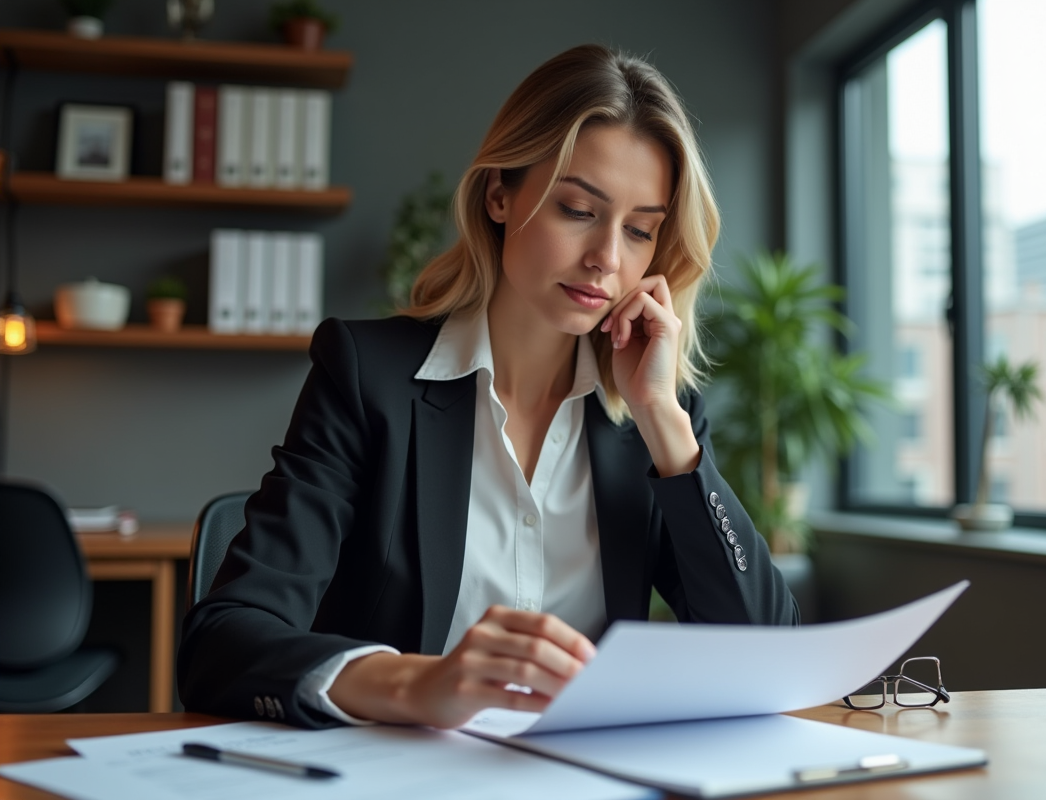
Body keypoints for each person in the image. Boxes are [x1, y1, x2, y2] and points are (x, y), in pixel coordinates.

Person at [178, 43, 799, 731]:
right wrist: (419, 684)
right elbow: (222, 643)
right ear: (500, 194)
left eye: (641, 231)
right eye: (577, 209)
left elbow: (763, 654)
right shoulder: (367, 377)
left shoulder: (655, 421)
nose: (607, 259)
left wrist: (663, 422)